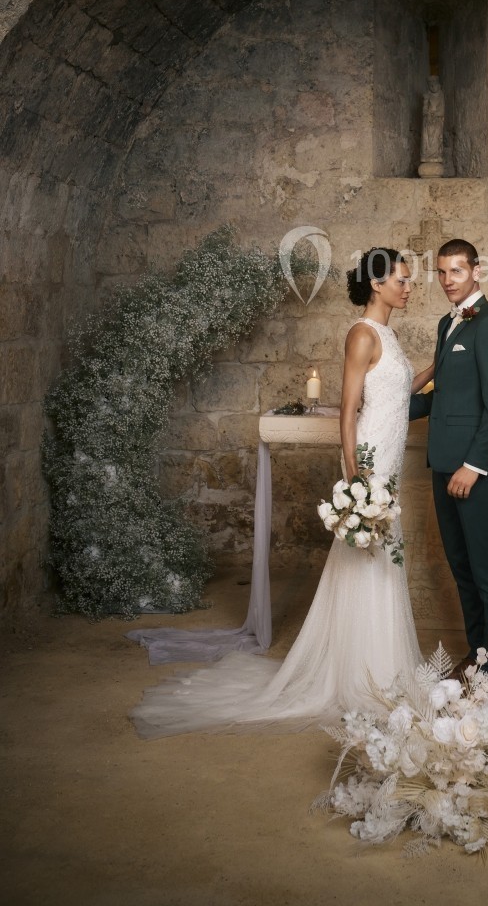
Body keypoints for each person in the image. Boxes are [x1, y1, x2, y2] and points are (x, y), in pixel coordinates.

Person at [130, 249, 433, 738]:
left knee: (382, 555)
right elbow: (349, 409)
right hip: (371, 461)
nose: (409, 287)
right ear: (377, 284)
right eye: (402, 279)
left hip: (390, 462)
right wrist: (355, 479)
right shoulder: (361, 334)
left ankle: (382, 668)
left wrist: (438, 362)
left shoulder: (390, 336)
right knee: (366, 553)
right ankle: (360, 675)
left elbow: (401, 394)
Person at [409, 238, 488, 676]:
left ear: (476, 270)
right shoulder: (445, 324)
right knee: (461, 565)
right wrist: (382, 407)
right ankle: (477, 651)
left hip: (475, 469)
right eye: (440, 272)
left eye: (456, 270)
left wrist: (473, 465)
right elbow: (444, 396)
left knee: (486, 567)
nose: (447, 280)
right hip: (442, 462)